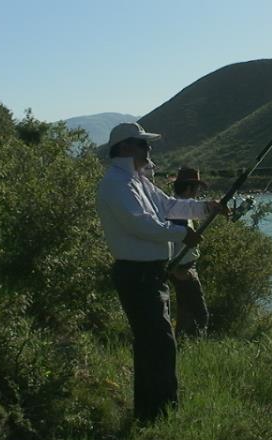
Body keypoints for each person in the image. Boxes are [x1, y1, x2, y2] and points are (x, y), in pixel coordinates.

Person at [95, 122, 223, 423]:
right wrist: (182, 236)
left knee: (153, 344)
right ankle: (162, 413)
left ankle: (150, 413)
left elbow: (169, 206)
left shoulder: (137, 181)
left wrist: (207, 207)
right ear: (126, 148)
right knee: (160, 343)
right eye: (143, 144)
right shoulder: (116, 183)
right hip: (137, 276)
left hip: (149, 275)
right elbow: (140, 225)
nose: (148, 149)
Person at [168, 167, 210, 337]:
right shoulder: (179, 210)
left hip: (184, 268)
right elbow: (169, 240)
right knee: (200, 314)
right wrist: (176, 270)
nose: (198, 191)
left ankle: (181, 346)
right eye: (196, 187)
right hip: (183, 269)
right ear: (189, 188)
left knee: (186, 312)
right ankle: (192, 347)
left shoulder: (180, 207)